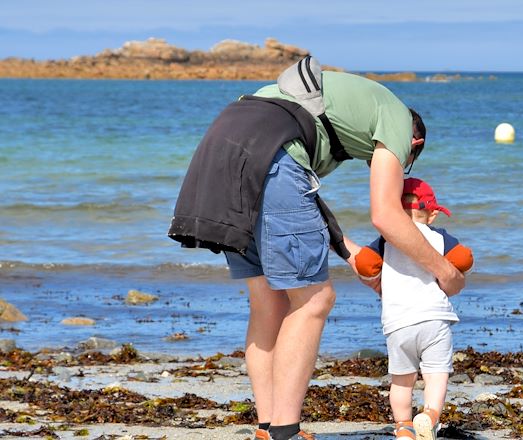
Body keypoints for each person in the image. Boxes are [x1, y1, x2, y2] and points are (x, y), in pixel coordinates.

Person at [168, 56, 465, 440]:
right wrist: (445, 271)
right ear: (414, 142)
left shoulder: (335, 124)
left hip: (221, 151)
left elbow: (298, 193)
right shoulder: (396, 118)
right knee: (314, 300)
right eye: (405, 162)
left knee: (269, 302)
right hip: (269, 154)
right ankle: (286, 432)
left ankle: (268, 426)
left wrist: (349, 252)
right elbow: (387, 216)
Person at [353, 177, 473, 440]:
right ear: (431, 215)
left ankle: (404, 427)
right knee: (436, 375)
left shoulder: (386, 240)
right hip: (434, 318)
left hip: (398, 322)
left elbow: (364, 263)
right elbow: (463, 258)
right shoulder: (439, 236)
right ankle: (429, 416)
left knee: (401, 381)